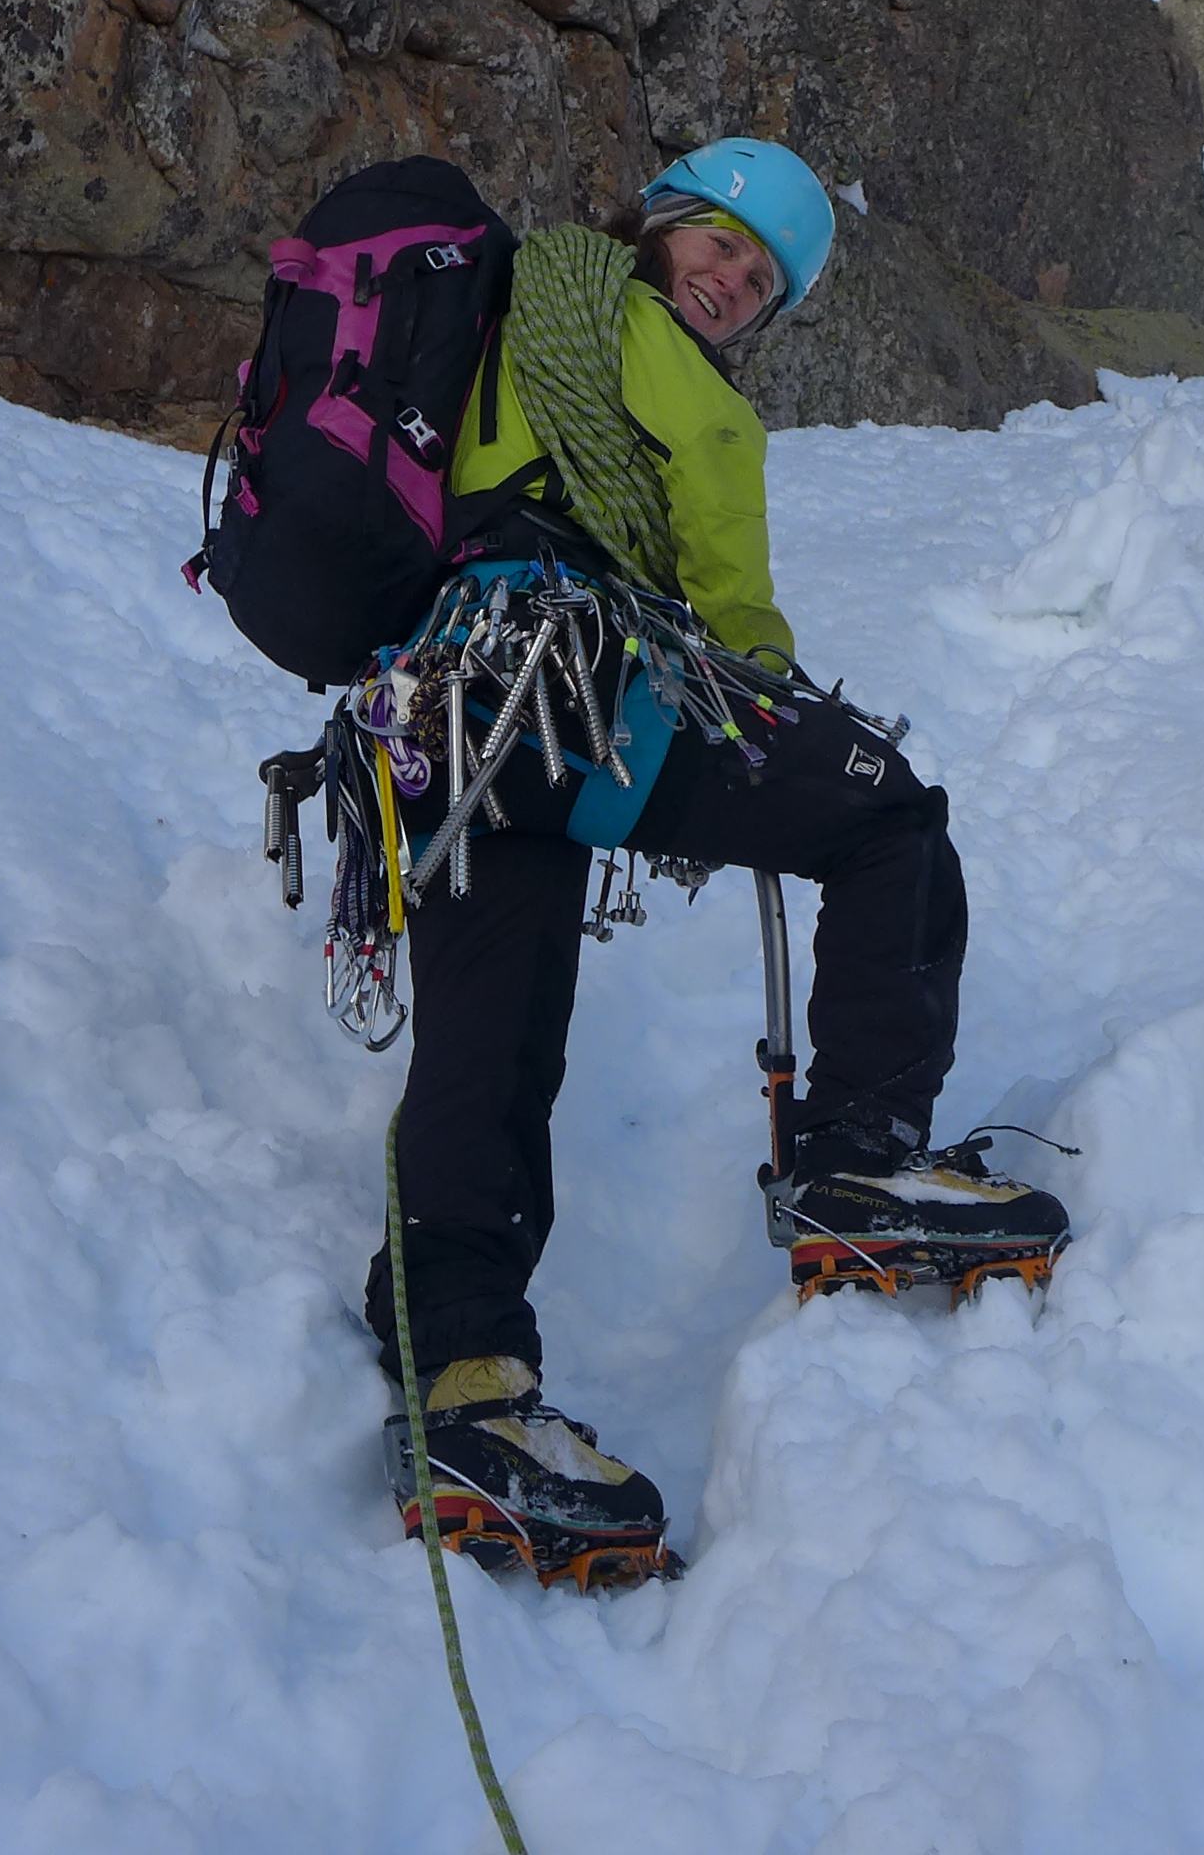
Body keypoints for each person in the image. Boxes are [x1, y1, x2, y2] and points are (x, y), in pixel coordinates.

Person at [360, 137, 1066, 1585]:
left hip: (442, 716)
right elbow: (728, 562)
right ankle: (864, 1162)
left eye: (761, 281)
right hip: (574, 684)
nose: (734, 285)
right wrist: (778, 705)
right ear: (663, 220)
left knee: (489, 1047)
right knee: (887, 817)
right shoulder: (654, 351)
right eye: (725, 246)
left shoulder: (522, 306)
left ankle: (463, 1378)